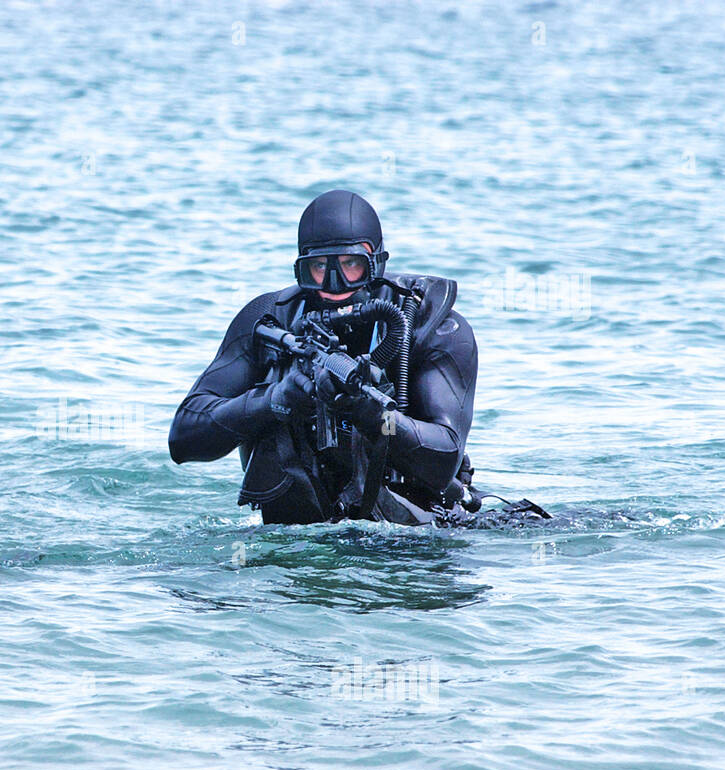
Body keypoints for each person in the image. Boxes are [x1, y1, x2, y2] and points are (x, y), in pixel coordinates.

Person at [169, 189, 510, 526]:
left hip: (411, 534)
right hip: (299, 541)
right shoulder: (270, 321)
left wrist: (374, 416)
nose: (335, 282)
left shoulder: (430, 326)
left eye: (351, 265)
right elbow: (184, 439)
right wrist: (274, 400)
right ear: (301, 268)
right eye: (319, 266)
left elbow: (444, 457)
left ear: (376, 263)